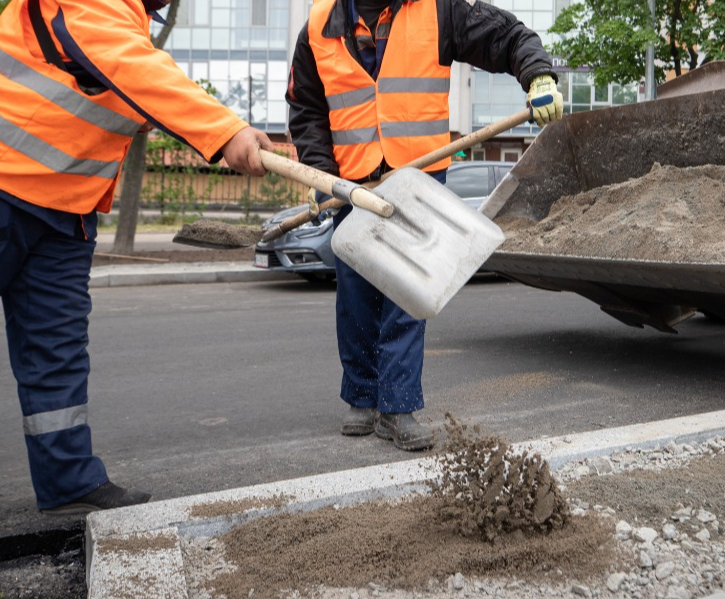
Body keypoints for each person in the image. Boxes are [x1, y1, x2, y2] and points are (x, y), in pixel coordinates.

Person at [0, 0, 274, 514]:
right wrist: (224, 130)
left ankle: (68, 483)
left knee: (56, 354)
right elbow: (131, 66)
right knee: (54, 353)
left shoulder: (128, 21)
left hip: (64, 211)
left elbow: (115, 79)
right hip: (7, 189)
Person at [287, 0, 563, 451]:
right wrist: (321, 174)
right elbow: (306, 110)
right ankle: (362, 397)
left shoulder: (439, 11)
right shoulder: (319, 25)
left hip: (416, 177)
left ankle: (397, 407)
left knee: (406, 290)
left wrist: (538, 76)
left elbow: (507, 36)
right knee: (354, 294)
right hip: (352, 182)